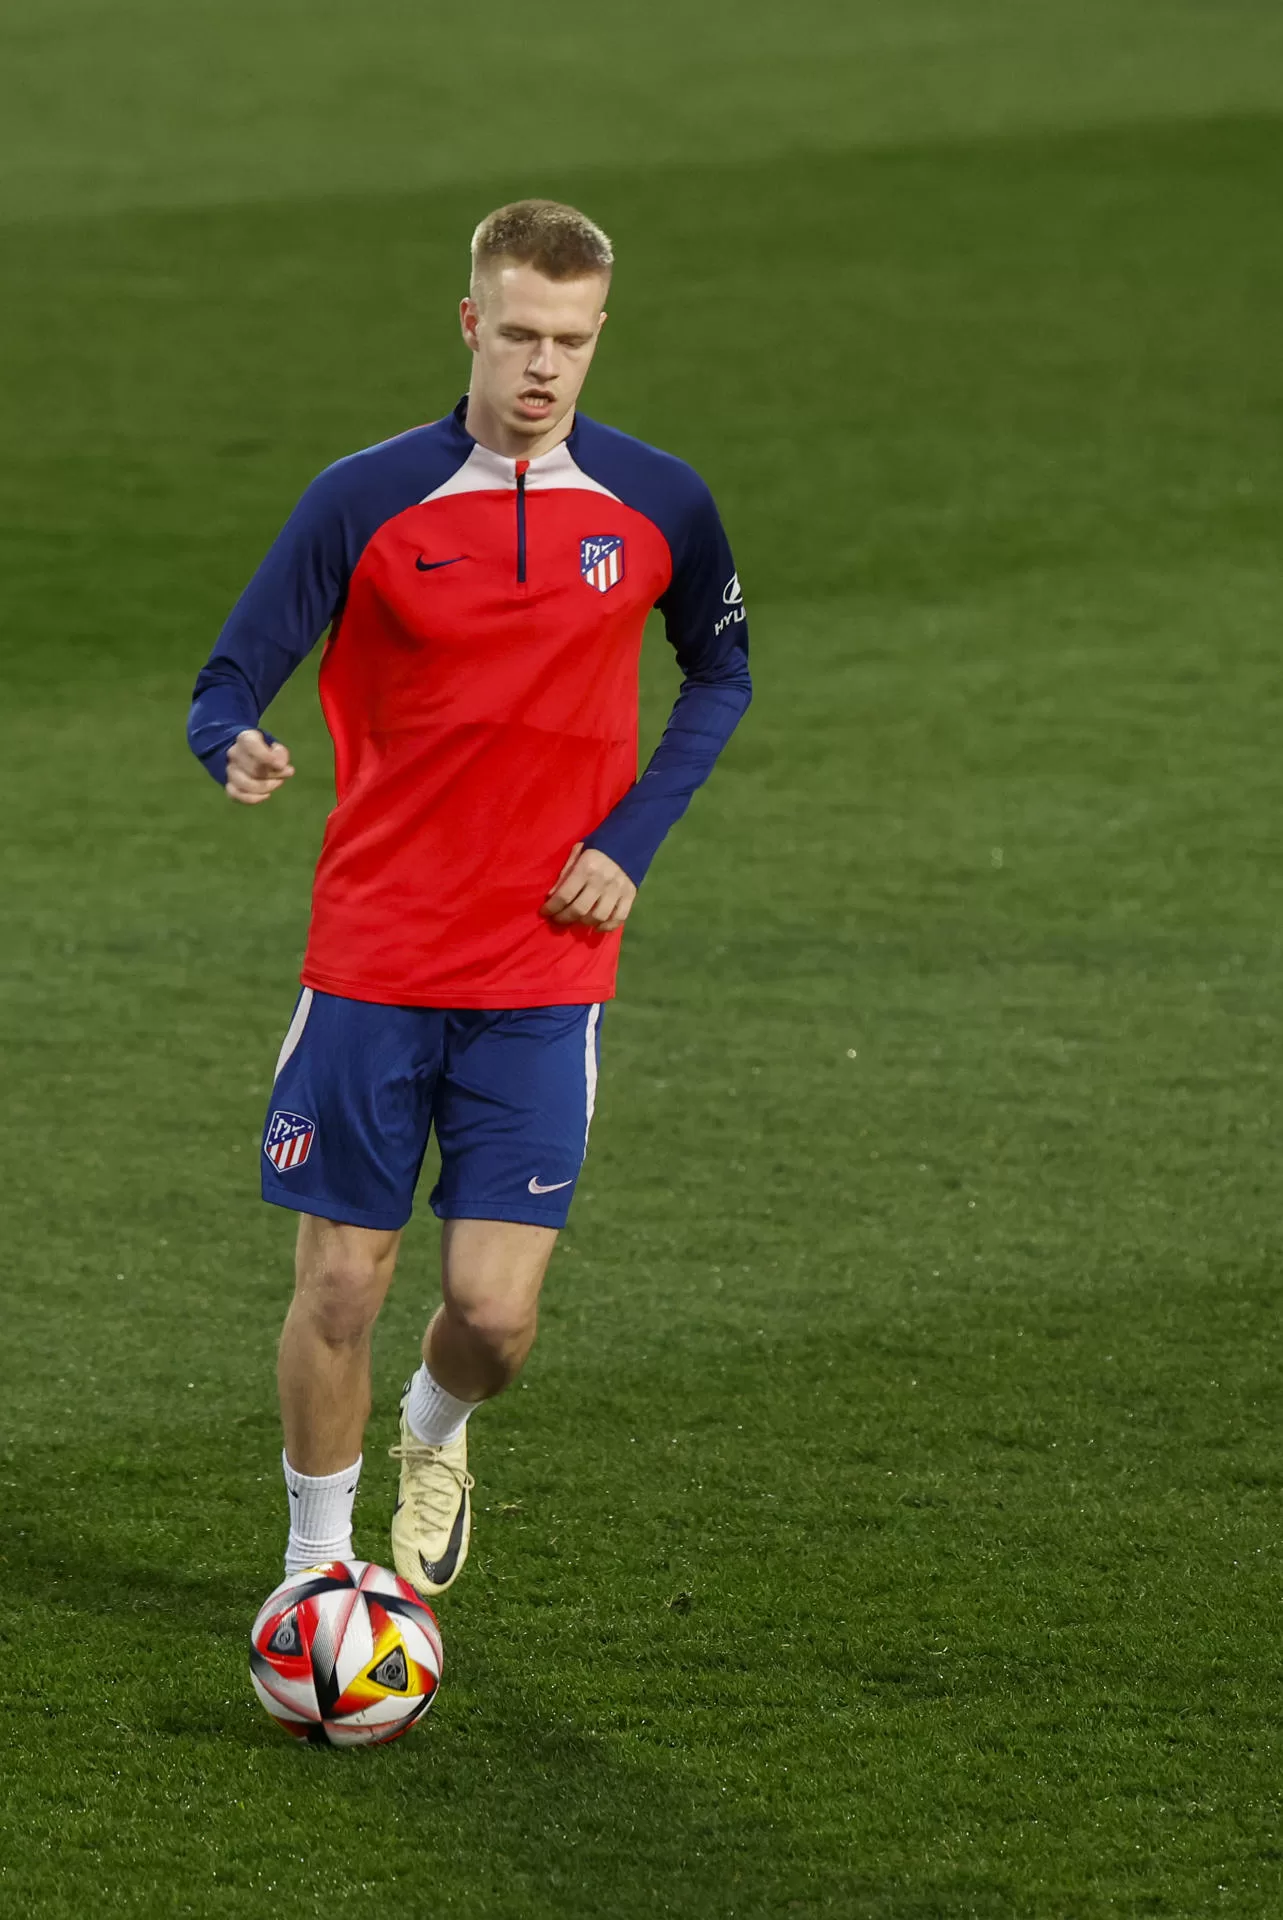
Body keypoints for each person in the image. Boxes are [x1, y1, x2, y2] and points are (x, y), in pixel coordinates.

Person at [187, 199, 752, 1597]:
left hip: (544, 968)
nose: (542, 367)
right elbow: (227, 677)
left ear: (598, 333)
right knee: (339, 1286)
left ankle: (433, 1429)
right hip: (375, 950)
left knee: (493, 1319)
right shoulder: (364, 497)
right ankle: (318, 1567)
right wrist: (233, 743)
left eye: (568, 340)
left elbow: (721, 671)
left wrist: (629, 839)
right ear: (470, 326)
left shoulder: (657, 501)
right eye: (517, 335)